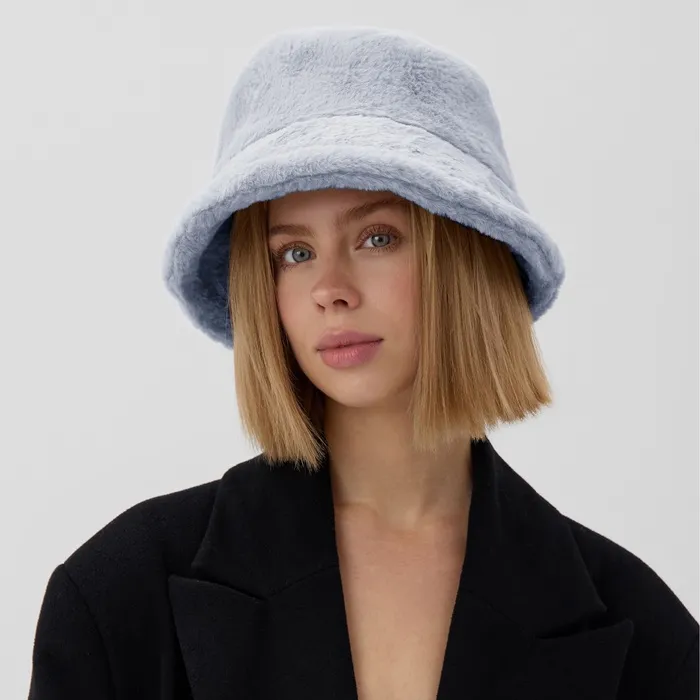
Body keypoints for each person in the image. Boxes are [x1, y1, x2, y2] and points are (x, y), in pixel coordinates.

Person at [28, 25, 698, 700]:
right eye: (294, 253)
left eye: (377, 238)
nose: (330, 290)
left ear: (467, 259)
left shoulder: (643, 634)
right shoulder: (120, 598)